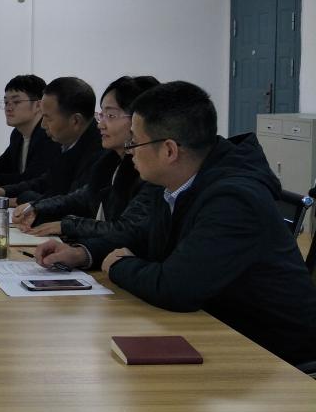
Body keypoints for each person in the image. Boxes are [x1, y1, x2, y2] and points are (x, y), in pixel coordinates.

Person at [36, 81, 316, 366]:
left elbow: (176, 287)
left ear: (169, 151)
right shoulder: (176, 182)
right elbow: (142, 238)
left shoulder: (234, 199)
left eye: (135, 142)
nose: (130, 151)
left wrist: (119, 265)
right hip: (216, 331)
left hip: (273, 357)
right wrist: (83, 253)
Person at [12, 75, 159, 240]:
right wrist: (37, 207)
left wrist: (66, 227)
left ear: (139, 120)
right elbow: (84, 196)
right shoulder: (109, 160)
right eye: (102, 114)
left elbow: (127, 230)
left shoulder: (151, 172)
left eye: (111, 116)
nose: (100, 124)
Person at [0, 76, 105, 205]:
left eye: (48, 118)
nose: (43, 125)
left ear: (75, 121)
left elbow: (70, 202)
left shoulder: (98, 152)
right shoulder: (69, 142)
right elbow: (47, 181)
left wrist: (22, 200)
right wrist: (5, 191)